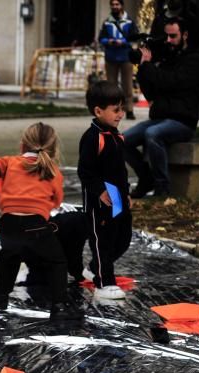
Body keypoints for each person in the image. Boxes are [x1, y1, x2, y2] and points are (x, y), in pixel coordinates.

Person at [0, 122, 81, 322]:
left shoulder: (8, 162)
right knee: (57, 261)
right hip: (37, 226)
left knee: (9, 258)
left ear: (22, 145)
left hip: (8, 225)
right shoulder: (52, 171)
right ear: (53, 148)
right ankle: (58, 305)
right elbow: (56, 200)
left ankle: (1, 297)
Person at [124, 16, 199, 198]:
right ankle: (146, 179)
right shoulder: (168, 55)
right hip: (161, 117)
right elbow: (151, 91)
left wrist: (149, 68)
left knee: (152, 135)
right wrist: (144, 65)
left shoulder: (195, 59)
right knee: (122, 141)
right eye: (167, 36)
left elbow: (171, 82)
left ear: (185, 35)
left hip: (183, 121)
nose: (169, 40)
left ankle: (163, 188)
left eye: (173, 36)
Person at [78, 81, 133, 300]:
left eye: (122, 108)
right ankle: (103, 281)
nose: (121, 113)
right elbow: (85, 171)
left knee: (122, 238)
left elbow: (121, 171)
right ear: (98, 111)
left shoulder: (116, 136)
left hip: (117, 196)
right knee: (102, 240)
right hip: (98, 201)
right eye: (116, 109)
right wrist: (100, 191)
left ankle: (94, 268)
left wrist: (126, 192)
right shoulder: (92, 138)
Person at [98, 0, 138, 120]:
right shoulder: (107, 22)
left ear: (122, 6)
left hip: (126, 57)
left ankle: (129, 110)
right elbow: (101, 38)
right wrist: (108, 41)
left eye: (117, 4)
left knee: (127, 85)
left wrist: (123, 42)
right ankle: (112, 111)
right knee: (111, 86)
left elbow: (134, 38)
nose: (114, 7)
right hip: (111, 57)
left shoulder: (129, 21)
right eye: (113, 5)